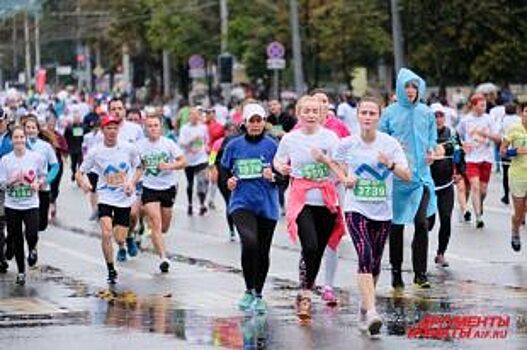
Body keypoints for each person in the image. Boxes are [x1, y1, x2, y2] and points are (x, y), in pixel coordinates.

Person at [334, 95, 410, 336]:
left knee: (375, 263)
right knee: (364, 255)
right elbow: (335, 166)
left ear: (379, 117)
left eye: (372, 113)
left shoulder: (389, 144)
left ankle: (365, 307)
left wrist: (389, 165)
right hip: (356, 208)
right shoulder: (347, 144)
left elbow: (406, 175)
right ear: (357, 116)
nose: (367, 117)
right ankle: (373, 312)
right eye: (363, 113)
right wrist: (346, 177)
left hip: (382, 211)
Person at [274, 95, 345, 320]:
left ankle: (307, 285)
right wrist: (281, 168)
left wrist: (324, 159)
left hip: (326, 200)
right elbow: (278, 159)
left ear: (323, 114)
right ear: (299, 113)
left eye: (315, 111)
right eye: (306, 111)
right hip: (301, 199)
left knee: (319, 248)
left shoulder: (331, 138)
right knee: (311, 246)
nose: (311, 115)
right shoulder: (290, 139)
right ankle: (305, 293)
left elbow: (342, 167)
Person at [379, 68, 441, 289]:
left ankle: (420, 273)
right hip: (398, 179)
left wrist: (433, 151)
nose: (411, 90)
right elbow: (379, 140)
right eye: (406, 86)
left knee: (421, 223)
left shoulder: (426, 113)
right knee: (396, 227)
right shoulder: (389, 113)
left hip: (422, 178)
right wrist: (391, 148)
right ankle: (396, 272)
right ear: (399, 89)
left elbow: (433, 140)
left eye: (414, 86)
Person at [221, 103, 280, 314]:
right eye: (251, 121)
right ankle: (248, 289)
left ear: (264, 122)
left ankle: (259, 294)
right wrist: (228, 183)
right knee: (250, 242)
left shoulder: (273, 146)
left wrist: (273, 177)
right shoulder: (233, 146)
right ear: (244, 123)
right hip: (241, 203)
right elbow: (224, 172)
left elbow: (284, 178)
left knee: (263, 250)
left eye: (259, 120)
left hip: (267, 205)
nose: (255, 125)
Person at [76, 114, 142, 283]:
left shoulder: (128, 148)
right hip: (105, 196)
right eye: (108, 128)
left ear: (118, 130)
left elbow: (140, 167)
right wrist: (84, 183)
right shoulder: (96, 151)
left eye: (114, 128)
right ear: (102, 130)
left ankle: (124, 242)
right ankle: (111, 269)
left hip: (124, 197)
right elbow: (80, 172)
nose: (112, 131)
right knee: (106, 234)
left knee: (119, 237)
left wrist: (132, 183)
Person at [311, 89, 350, 306]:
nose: (321, 105)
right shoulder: (301, 129)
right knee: (312, 240)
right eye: (317, 102)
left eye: (325, 101)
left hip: (334, 189)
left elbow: (349, 155)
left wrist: (342, 173)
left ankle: (328, 286)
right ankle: (307, 280)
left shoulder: (338, 128)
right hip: (308, 192)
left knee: (332, 236)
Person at [137, 114, 186, 272]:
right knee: (155, 223)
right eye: (150, 126)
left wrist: (169, 166)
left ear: (161, 127)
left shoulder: (168, 144)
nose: (153, 128)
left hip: (168, 187)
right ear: (145, 128)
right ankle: (163, 258)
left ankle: (150, 231)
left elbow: (183, 162)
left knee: (164, 227)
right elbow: (136, 166)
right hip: (149, 188)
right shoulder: (139, 146)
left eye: (156, 125)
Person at [0, 126, 46, 285]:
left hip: (31, 204)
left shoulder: (36, 158)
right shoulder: (5, 160)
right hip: (12, 205)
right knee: (16, 239)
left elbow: (42, 176)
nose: (19, 140)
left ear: (25, 139)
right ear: (11, 140)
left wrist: (38, 184)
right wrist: (12, 180)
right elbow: (1, 185)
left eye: (21, 137)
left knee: (32, 233)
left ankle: (33, 249)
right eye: (16, 137)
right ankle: (21, 271)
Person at [457, 93, 501, 229]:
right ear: (474, 105)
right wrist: (462, 144)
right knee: (475, 186)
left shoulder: (489, 119)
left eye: (485, 105)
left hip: (486, 158)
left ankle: (479, 204)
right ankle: (478, 217)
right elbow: (458, 135)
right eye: (482, 105)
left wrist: (485, 134)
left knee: (483, 190)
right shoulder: (465, 120)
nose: (484, 108)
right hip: (471, 159)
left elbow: (498, 138)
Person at [429, 104, 460, 267]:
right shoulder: (424, 133)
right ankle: (420, 250)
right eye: (435, 116)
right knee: (427, 223)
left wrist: (459, 172)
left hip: (446, 183)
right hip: (428, 184)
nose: (438, 119)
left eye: (441, 115)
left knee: (446, 219)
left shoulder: (452, 133)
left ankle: (441, 253)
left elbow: (459, 152)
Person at [22, 115, 59, 235]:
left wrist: (46, 180)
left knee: (41, 224)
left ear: (38, 130)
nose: (30, 130)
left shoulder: (46, 146)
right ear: (24, 129)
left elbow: (55, 166)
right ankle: (32, 248)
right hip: (24, 189)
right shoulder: (19, 144)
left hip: (42, 187)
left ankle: (31, 238)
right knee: (29, 221)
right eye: (28, 127)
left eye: (33, 127)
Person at [500, 102, 527, 252]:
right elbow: (502, 151)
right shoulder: (514, 129)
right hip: (517, 175)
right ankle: (515, 231)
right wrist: (515, 151)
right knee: (519, 213)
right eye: (526, 111)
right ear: (522, 112)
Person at [210, 122, 240, 240]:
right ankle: (232, 230)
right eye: (229, 130)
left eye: (234, 130)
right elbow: (211, 159)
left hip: (236, 174)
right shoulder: (218, 143)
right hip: (222, 174)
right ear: (225, 131)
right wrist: (213, 170)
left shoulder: (239, 142)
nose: (231, 133)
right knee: (229, 202)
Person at [178, 107, 210, 216]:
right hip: (189, 160)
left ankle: (202, 204)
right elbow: (181, 143)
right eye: (192, 115)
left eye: (196, 115)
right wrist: (191, 141)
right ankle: (190, 204)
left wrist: (206, 148)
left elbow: (206, 140)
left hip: (202, 158)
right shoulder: (184, 128)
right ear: (189, 116)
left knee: (203, 181)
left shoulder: (203, 127)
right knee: (190, 184)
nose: (194, 117)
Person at [45, 113, 69, 222]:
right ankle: (46, 208)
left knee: (54, 187)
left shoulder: (59, 136)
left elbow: (65, 151)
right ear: (46, 123)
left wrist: (57, 148)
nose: (52, 125)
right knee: (45, 186)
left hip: (57, 165)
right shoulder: (42, 135)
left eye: (54, 123)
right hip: (44, 166)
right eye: (50, 123)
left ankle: (53, 203)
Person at [498, 103, 521, 205]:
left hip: (506, 150)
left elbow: (499, 133)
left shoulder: (503, 120)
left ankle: (506, 195)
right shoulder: (519, 119)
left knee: (506, 174)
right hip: (518, 150)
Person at [64, 113, 85, 181]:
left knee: (80, 163)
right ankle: (74, 173)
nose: (77, 120)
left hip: (80, 149)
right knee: (73, 164)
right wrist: (66, 148)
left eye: (78, 118)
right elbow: (65, 138)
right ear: (73, 119)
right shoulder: (69, 128)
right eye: (76, 118)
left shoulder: (83, 126)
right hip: (72, 149)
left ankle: (79, 176)